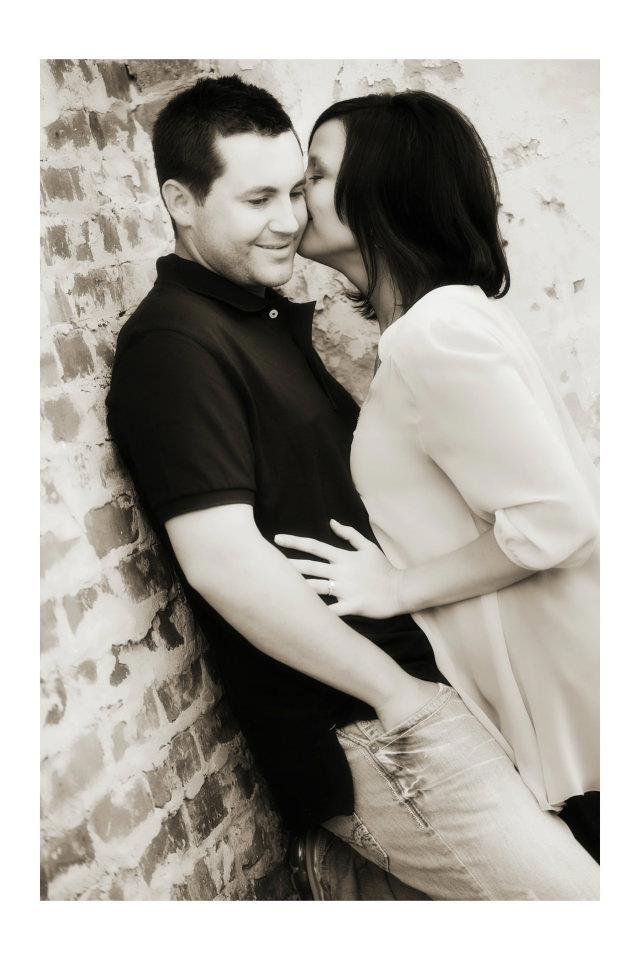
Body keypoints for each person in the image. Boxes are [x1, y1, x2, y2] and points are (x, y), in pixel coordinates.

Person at [106, 75, 597, 900]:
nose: (289, 218)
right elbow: (222, 562)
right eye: (258, 198)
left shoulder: (271, 318)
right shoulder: (174, 344)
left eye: (295, 189)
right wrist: (395, 695)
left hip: (435, 694)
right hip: (373, 719)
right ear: (180, 202)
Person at [275, 91, 600, 871]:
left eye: (315, 175)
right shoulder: (445, 322)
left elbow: (557, 520)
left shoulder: (436, 334)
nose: (295, 194)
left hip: (586, 717)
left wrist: (398, 588)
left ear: (383, 191)